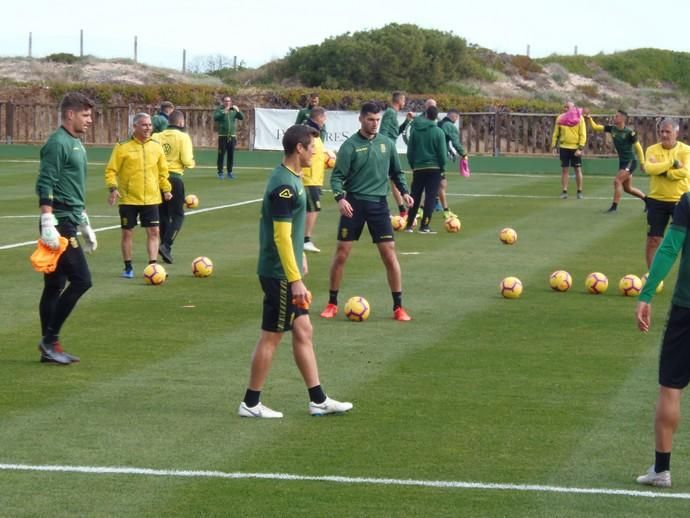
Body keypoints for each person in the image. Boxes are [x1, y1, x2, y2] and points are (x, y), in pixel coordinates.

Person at [238, 124, 353, 419]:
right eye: (312, 146)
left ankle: (318, 399)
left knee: (303, 329)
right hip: (278, 274)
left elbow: (290, 237)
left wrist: (299, 258)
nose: (316, 151)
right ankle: (251, 403)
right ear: (299, 149)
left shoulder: (293, 178)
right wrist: (295, 279)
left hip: (283, 270)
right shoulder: (285, 186)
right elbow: (281, 236)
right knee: (271, 336)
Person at [320, 102, 414, 321]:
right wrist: (340, 198)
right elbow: (336, 177)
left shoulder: (387, 144)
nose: (374, 124)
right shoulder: (350, 146)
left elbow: (397, 172)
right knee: (342, 253)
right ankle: (332, 303)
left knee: (389, 255)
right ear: (361, 119)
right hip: (354, 204)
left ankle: (398, 308)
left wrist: (406, 192)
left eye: (377, 120)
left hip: (379, 205)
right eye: (370, 120)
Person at [35, 92, 97, 365]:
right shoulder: (58, 143)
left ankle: (50, 347)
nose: (90, 120)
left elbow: (72, 186)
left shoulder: (76, 143)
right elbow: (45, 181)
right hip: (59, 222)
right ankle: (49, 339)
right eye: (85, 115)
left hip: (70, 217)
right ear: (70, 114)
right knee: (82, 279)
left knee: (55, 285)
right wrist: (48, 220)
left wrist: (84, 221)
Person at [635, 190, 690, 488]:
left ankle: (661, 470)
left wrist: (646, 294)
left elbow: (669, 248)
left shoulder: (689, 201)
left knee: (671, 389)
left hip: (687, 308)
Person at [105, 113, 172, 278]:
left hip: (151, 198)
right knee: (127, 232)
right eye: (144, 125)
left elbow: (163, 172)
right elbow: (111, 170)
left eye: (149, 125)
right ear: (134, 127)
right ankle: (128, 267)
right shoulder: (122, 147)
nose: (148, 128)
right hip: (128, 198)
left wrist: (166, 189)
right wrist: (113, 188)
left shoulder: (156, 146)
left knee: (154, 231)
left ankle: (153, 267)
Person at [642, 118, 690, 268]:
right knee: (653, 240)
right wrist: (672, 163)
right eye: (661, 131)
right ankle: (652, 277)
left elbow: (685, 172)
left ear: (676, 133)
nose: (663, 135)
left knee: (684, 241)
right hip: (657, 200)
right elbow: (649, 169)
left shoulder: (686, 150)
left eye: (667, 131)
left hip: (681, 200)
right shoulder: (652, 149)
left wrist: (665, 173)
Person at [584, 108, 646, 212]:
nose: (614, 117)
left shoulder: (630, 133)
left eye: (616, 116)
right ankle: (648, 201)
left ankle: (614, 207)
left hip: (630, 162)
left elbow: (639, 148)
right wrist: (589, 118)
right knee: (628, 189)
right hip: (623, 162)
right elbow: (595, 127)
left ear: (622, 119)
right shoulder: (612, 129)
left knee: (617, 181)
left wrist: (642, 163)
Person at [155, 110, 196, 264]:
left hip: (158, 179)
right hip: (174, 178)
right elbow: (186, 159)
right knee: (178, 215)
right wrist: (191, 163)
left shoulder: (157, 136)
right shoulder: (183, 137)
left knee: (163, 214)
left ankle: (165, 248)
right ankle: (166, 245)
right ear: (181, 122)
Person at [404, 105, 447, 234]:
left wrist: (413, 165)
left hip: (418, 167)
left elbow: (410, 151)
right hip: (434, 168)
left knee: (414, 196)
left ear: (426, 115)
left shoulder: (415, 131)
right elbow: (442, 153)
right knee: (430, 197)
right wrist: (442, 169)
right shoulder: (438, 132)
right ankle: (424, 226)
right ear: (436, 117)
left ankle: (409, 225)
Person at [301, 107, 328, 253]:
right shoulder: (308, 132)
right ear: (319, 117)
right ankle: (305, 240)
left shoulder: (314, 133)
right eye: (324, 118)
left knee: (309, 209)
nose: (325, 121)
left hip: (314, 178)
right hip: (309, 179)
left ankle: (302, 238)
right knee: (313, 208)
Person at [379, 91, 410, 217]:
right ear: (399, 101)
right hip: (387, 151)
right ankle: (385, 210)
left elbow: (394, 133)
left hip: (390, 150)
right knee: (385, 180)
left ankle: (402, 210)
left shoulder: (393, 113)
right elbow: (383, 132)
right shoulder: (390, 113)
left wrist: (407, 122)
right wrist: (384, 149)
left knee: (394, 179)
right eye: (404, 100)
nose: (405, 103)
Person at [552, 101, 587, 199]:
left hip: (575, 148)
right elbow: (556, 133)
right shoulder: (560, 118)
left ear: (573, 108)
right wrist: (554, 146)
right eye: (564, 107)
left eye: (567, 107)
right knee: (564, 169)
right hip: (564, 147)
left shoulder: (580, 118)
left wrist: (580, 148)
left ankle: (579, 191)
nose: (565, 109)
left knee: (577, 169)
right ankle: (564, 191)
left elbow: (583, 134)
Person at [438, 108, 468, 219]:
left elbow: (443, 140)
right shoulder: (449, 126)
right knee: (440, 185)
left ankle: (443, 209)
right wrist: (463, 153)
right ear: (454, 116)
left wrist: (449, 150)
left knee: (439, 185)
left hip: (432, 157)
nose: (456, 119)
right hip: (437, 159)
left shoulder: (440, 123)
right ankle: (422, 209)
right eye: (456, 117)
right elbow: (455, 142)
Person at [213, 95, 244, 179]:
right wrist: (224, 112)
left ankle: (230, 172)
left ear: (231, 102)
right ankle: (220, 172)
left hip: (232, 136)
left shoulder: (233, 110)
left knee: (231, 155)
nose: (227, 102)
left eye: (229, 101)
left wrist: (238, 111)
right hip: (223, 136)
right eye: (226, 101)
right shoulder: (220, 109)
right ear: (223, 102)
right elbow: (215, 117)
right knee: (221, 154)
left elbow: (242, 117)